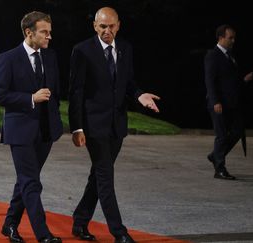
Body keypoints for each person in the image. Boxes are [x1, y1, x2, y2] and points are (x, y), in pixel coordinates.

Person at [68, 7, 160, 243]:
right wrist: (76, 127)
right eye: (102, 26)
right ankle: (119, 232)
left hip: (117, 125)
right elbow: (75, 92)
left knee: (98, 177)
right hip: (93, 126)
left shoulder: (125, 48)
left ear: (118, 25)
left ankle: (79, 221)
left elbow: (127, 83)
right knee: (105, 177)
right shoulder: (82, 51)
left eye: (111, 26)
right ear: (94, 26)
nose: (107, 31)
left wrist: (140, 95)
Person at [0, 11, 63, 243]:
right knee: (32, 182)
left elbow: (56, 93)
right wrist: (30, 98)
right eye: (44, 32)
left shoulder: (50, 57)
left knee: (25, 180)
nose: (49, 36)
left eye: (50, 32)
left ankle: (10, 224)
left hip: (45, 131)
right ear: (28, 32)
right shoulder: (8, 58)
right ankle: (43, 235)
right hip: (20, 130)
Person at [204, 24, 253, 180]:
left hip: (231, 103)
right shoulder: (213, 55)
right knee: (221, 135)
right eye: (230, 37)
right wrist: (215, 101)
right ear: (221, 38)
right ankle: (219, 169)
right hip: (218, 103)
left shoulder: (230, 56)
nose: (233, 41)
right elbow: (210, 81)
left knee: (238, 130)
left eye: (234, 38)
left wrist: (243, 80)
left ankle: (215, 155)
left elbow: (229, 81)